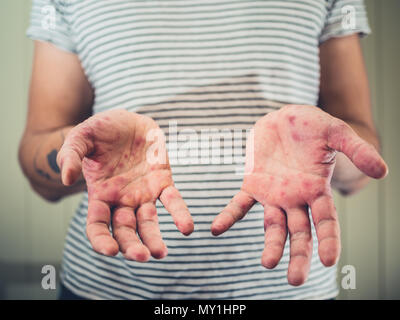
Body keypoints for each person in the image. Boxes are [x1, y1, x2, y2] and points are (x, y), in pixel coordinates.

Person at [19, 0, 388, 299]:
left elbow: (360, 149)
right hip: (107, 288)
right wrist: (82, 152)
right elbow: (40, 163)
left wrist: (324, 157)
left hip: (290, 287)